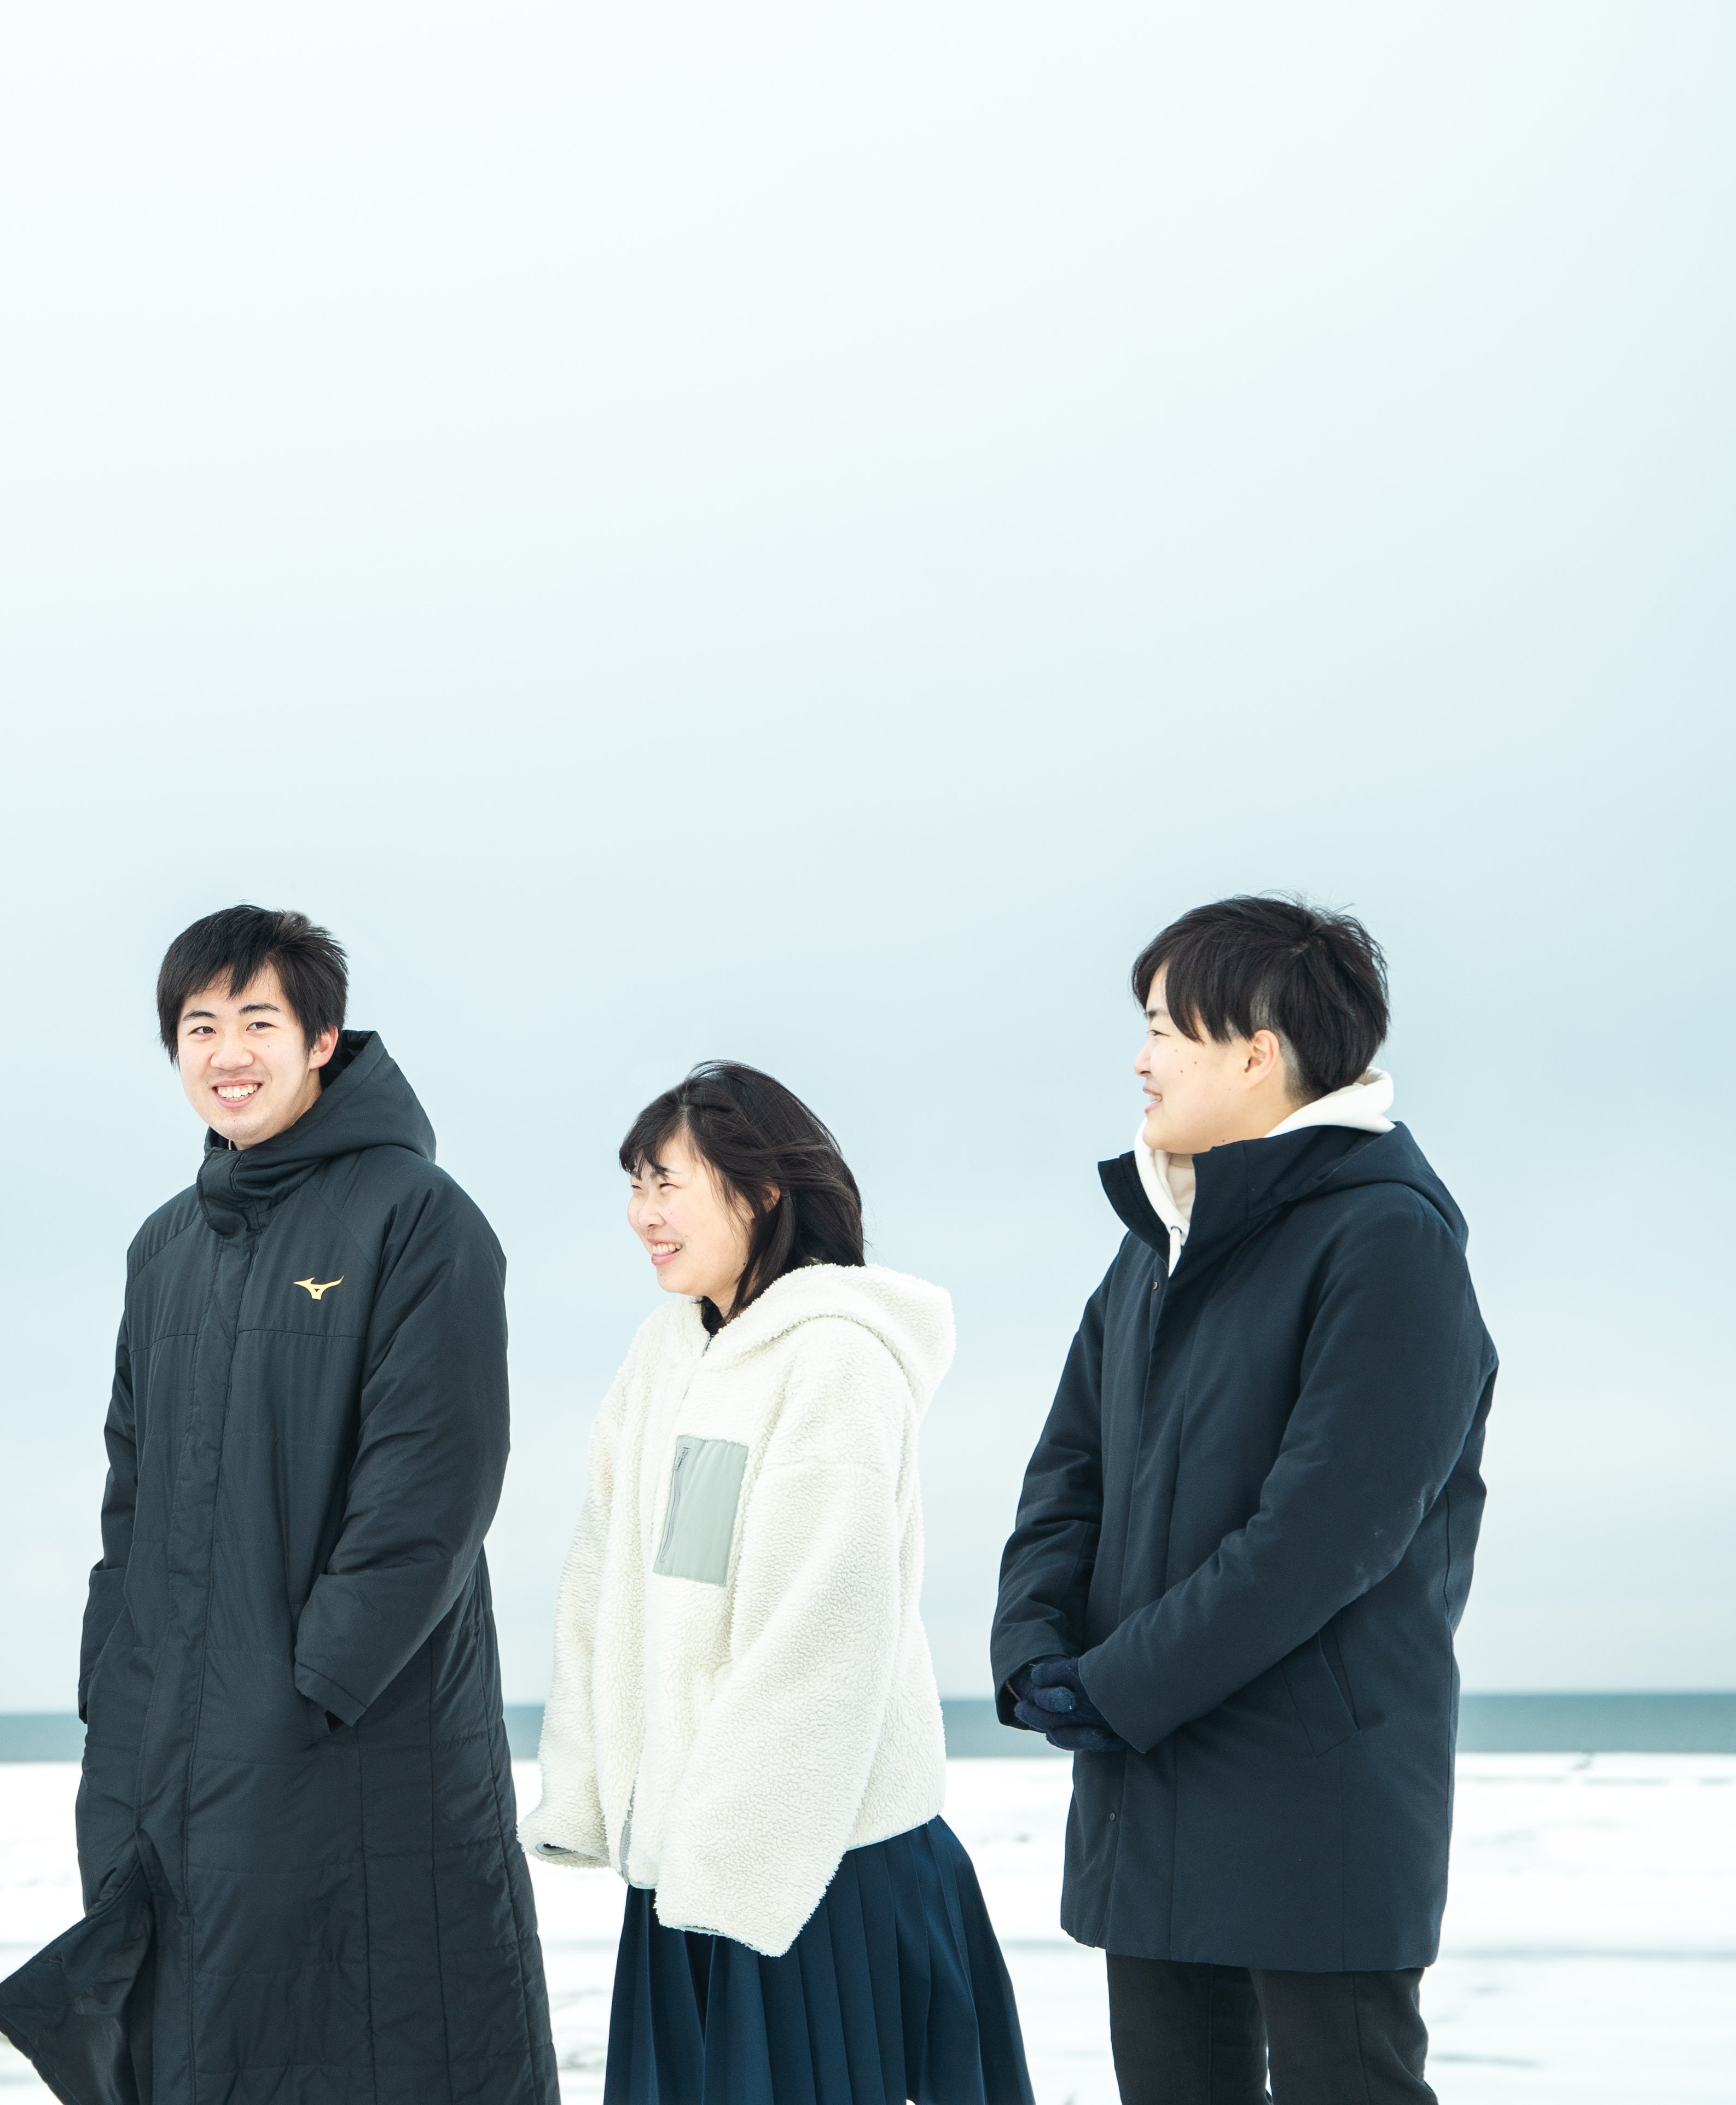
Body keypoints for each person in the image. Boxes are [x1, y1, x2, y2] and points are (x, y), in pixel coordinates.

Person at [0, 905, 558, 2105]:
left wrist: (314, 1683)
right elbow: (130, 1498)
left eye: (257, 1022)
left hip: (350, 1738)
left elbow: (432, 1485)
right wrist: (114, 1683)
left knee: (382, 2037)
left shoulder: (416, 1215)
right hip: (169, 1738)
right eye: (200, 1027)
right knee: (194, 2044)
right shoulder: (165, 1248)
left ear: (321, 1041)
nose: (227, 1053)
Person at [993, 896, 1495, 2105]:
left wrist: (1115, 1687)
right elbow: (1066, 1473)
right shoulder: (1153, 1244)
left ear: (1258, 1053)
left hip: (1313, 1803)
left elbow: (1321, 1537)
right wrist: (1033, 1646)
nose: (1141, 1059)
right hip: (1148, 1793)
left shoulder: (1388, 1241)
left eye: (1164, 1029)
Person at [525, 1063, 1033, 2105]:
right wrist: (591, 1794)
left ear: (761, 1191)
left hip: (813, 1864)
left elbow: (817, 1629)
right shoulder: (665, 1353)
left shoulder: (834, 1358)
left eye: (668, 1183)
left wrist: (726, 1849)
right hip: (688, 1868)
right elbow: (603, 1585)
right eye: (634, 1185)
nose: (642, 1214)